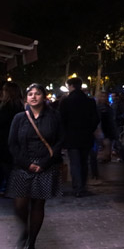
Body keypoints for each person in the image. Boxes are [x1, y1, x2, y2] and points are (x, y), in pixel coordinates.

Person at [7, 83, 64, 249]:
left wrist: (45, 163)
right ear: (26, 97)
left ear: (43, 96)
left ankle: (32, 241)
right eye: (30, 93)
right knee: (20, 205)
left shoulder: (54, 117)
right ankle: (25, 230)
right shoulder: (19, 118)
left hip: (46, 165)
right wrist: (26, 163)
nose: (33, 96)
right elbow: (12, 144)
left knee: (38, 204)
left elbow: (60, 141)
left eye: (37, 93)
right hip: (23, 165)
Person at [58, 76, 100, 197]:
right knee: (84, 162)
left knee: (75, 163)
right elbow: (95, 119)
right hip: (86, 137)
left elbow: (62, 120)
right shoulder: (89, 101)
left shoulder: (65, 101)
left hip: (71, 137)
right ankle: (82, 186)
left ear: (70, 86)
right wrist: (89, 129)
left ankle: (77, 187)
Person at [1, 81, 25, 195]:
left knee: (6, 166)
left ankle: (11, 188)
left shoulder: (6, 108)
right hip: (17, 140)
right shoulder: (20, 107)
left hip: (5, 140)